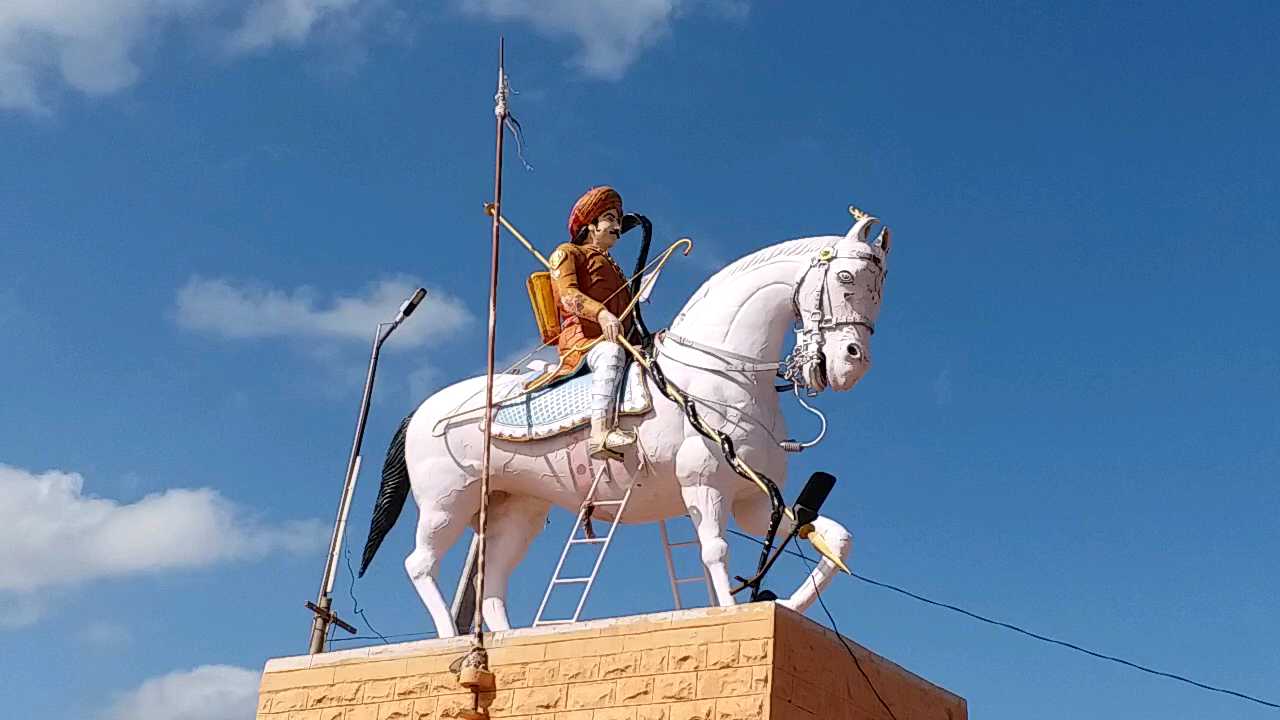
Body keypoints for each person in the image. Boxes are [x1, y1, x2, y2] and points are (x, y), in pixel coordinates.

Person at [548, 186, 637, 460]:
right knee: (610, 353)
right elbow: (567, 296)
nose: (617, 227)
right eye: (610, 218)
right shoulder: (568, 253)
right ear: (590, 225)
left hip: (621, 339)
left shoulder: (614, 267)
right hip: (583, 342)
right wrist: (601, 314)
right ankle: (601, 434)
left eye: (618, 221)